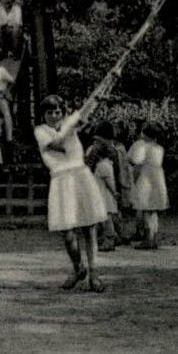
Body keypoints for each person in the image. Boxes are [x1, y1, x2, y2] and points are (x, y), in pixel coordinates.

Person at [34, 93, 110, 292]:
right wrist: (74, 120)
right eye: (49, 112)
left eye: (57, 111)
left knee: (89, 227)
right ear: (43, 115)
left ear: (63, 112)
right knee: (68, 233)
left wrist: (94, 101)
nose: (54, 115)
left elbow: (85, 112)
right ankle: (78, 268)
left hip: (81, 176)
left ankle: (94, 273)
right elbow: (58, 143)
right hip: (61, 180)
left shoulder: (71, 124)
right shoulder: (40, 131)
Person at [127, 121, 169, 250]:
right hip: (157, 180)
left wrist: (133, 180)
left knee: (146, 210)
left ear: (145, 134)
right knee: (153, 211)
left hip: (146, 180)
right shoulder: (159, 148)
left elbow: (138, 166)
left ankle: (148, 239)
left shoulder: (142, 148)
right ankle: (153, 238)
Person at [86, 123, 124, 251]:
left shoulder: (96, 150)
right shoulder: (114, 150)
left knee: (107, 214)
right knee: (112, 213)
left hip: (103, 187)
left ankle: (110, 237)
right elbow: (117, 170)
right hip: (109, 185)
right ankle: (117, 235)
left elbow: (89, 165)